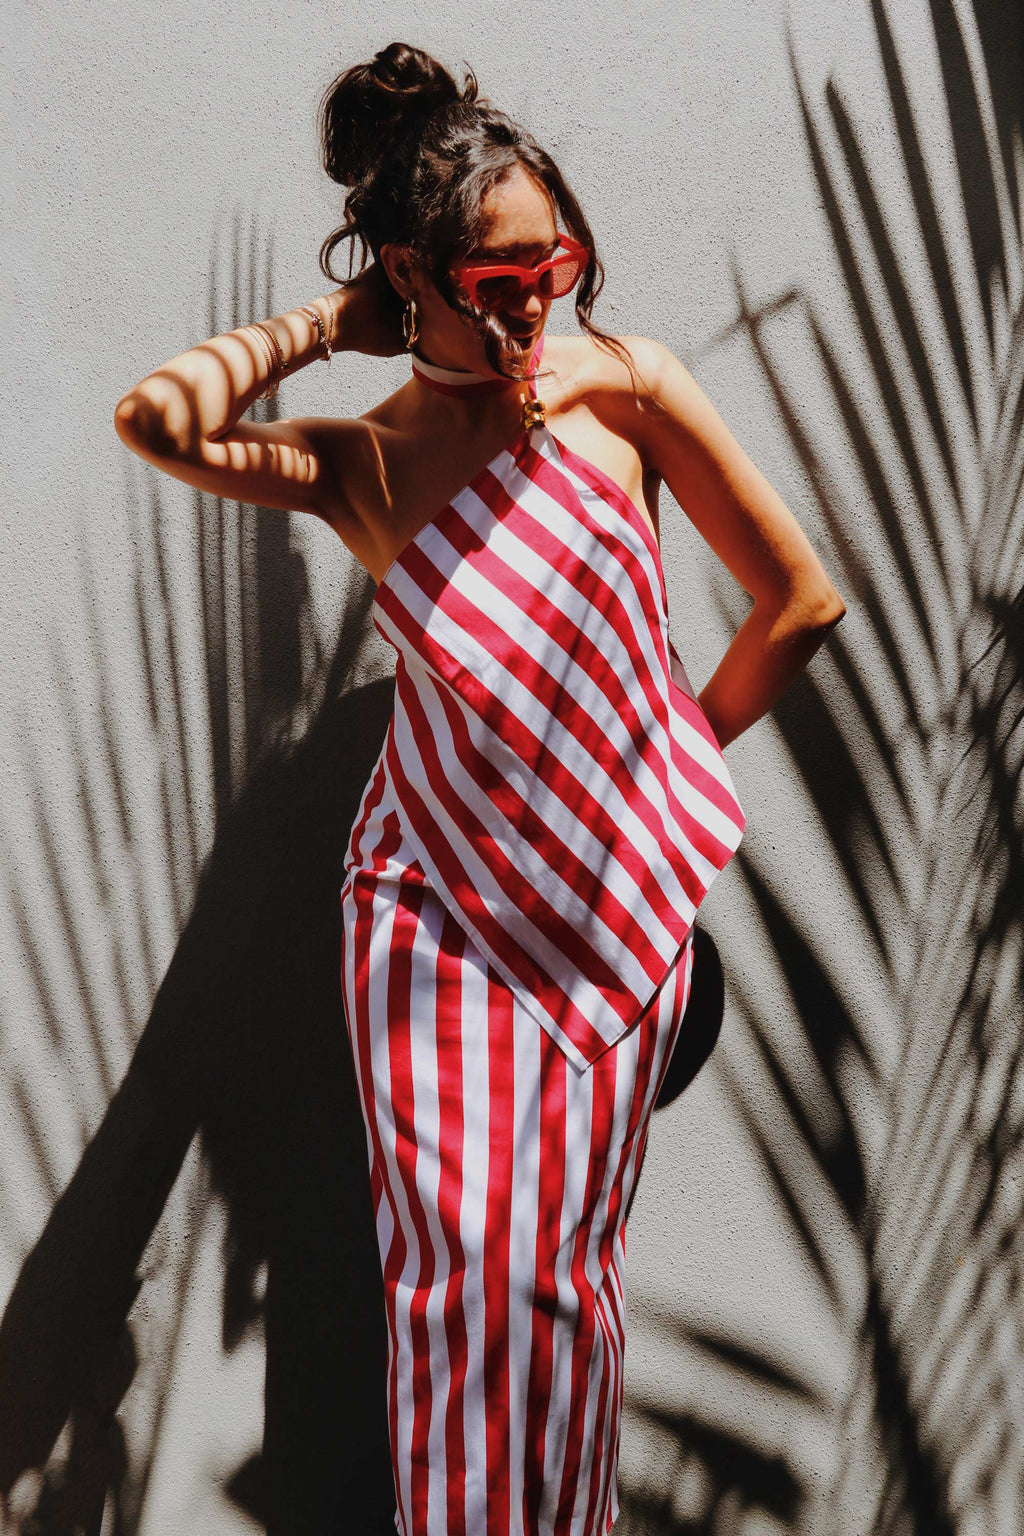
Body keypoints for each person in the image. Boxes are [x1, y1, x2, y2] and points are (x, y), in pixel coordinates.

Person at [114, 40, 845, 1536]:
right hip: (431, 921)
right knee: (454, 1283)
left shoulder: (626, 392)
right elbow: (158, 422)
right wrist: (332, 324)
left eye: (553, 270)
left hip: (611, 919)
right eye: (494, 283)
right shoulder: (365, 464)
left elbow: (801, 605)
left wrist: (664, 768)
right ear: (412, 276)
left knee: (560, 1288)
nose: (534, 310)